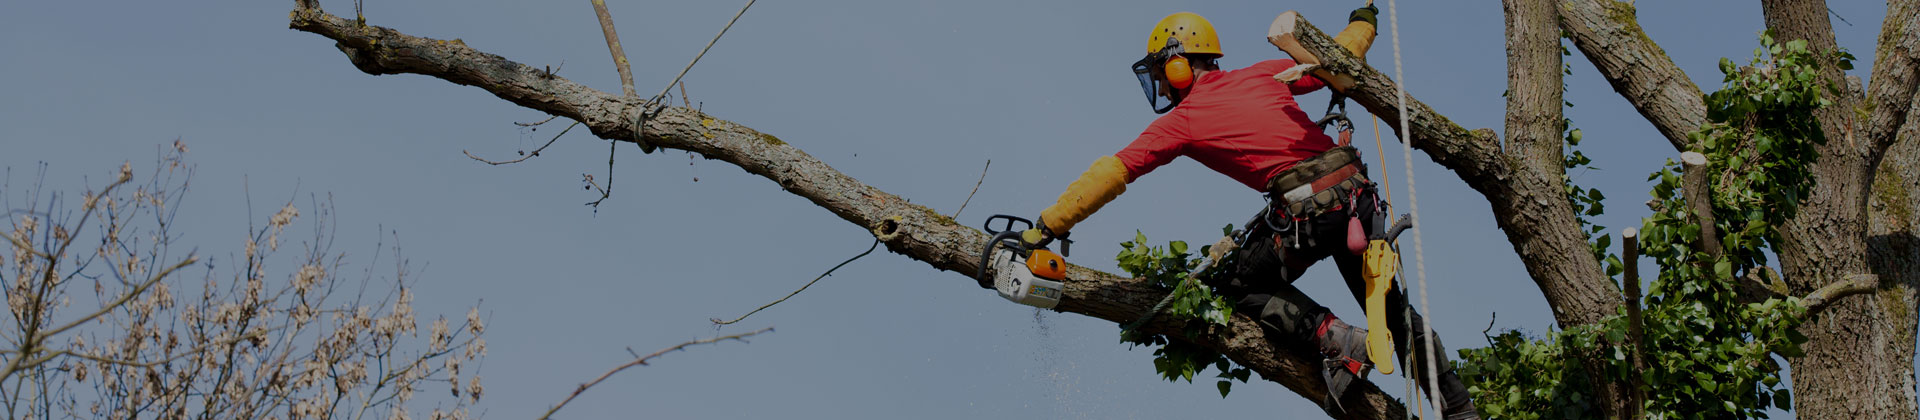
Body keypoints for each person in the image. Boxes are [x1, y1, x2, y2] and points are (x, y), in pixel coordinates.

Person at [1020, 8, 1480, 419]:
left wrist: (1048, 225)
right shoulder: (1263, 74)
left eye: (1161, 73)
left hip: (1309, 213)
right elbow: (1338, 55)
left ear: (1180, 63)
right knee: (1391, 309)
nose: (1160, 85)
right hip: (1356, 199)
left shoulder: (1183, 120)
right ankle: (1460, 410)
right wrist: (1365, 19)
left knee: (1240, 286)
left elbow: (1113, 172)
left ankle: (1336, 338)